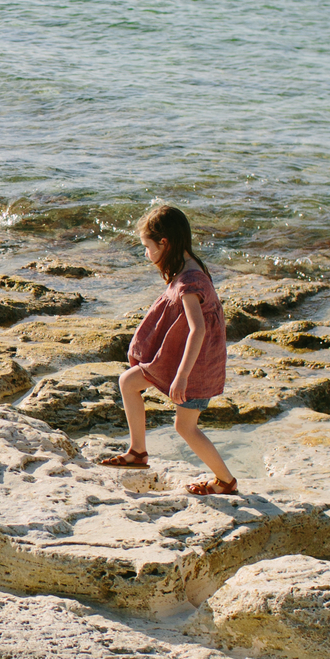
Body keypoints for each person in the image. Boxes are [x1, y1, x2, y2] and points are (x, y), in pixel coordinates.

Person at [98, 203, 237, 495]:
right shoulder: (188, 268)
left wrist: (183, 375)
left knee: (185, 428)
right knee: (128, 381)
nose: (145, 254)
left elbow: (198, 329)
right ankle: (137, 452)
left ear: (164, 242)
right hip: (179, 358)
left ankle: (226, 481)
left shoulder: (189, 282)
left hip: (194, 367)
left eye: (147, 247)